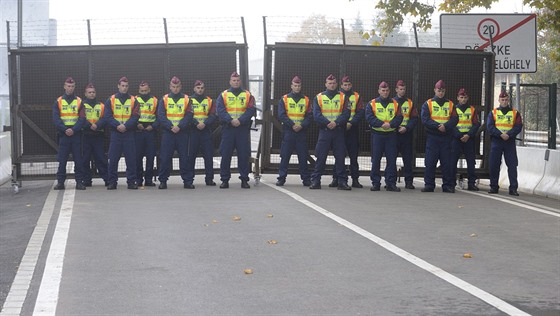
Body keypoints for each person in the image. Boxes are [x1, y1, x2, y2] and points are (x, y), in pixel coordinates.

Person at [309, 74, 351, 190]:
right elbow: (316, 115)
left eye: (333, 83)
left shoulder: (343, 97)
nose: (332, 85)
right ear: (326, 84)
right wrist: (328, 123)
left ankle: (342, 181)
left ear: (337, 84)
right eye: (329, 83)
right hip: (325, 131)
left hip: (338, 131)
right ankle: (316, 181)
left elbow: (346, 113)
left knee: (340, 156)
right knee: (321, 157)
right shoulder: (319, 97)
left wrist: (336, 123)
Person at [216, 71, 256, 189]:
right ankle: (225, 180)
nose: (236, 82)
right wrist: (230, 120)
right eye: (234, 80)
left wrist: (241, 120)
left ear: (240, 81)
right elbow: (220, 110)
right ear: (230, 81)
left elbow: (250, 110)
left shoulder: (248, 95)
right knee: (226, 154)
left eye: (238, 80)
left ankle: (244, 179)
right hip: (228, 129)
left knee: (243, 155)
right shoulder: (223, 95)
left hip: (242, 129)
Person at [420, 80, 458, 193]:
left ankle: (447, 185)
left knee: (447, 163)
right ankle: (429, 185)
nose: (440, 93)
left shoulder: (450, 104)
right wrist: (437, 126)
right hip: (433, 137)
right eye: (438, 90)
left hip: (446, 137)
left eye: (442, 91)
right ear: (435, 90)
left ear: (445, 91)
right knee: (430, 162)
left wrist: (445, 126)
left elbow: (455, 119)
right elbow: (425, 119)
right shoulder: (428, 104)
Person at [365, 81, 403, 192]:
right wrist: (381, 124)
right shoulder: (372, 103)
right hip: (377, 134)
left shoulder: (395, 104)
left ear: (389, 91)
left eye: (387, 90)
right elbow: (369, 117)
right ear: (379, 91)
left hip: (391, 135)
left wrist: (390, 125)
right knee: (376, 159)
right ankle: (376, 183)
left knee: (392, 159)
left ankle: (391, 183)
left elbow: (399, 117)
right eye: (383, 90)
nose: (385, 92)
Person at [157, 76, 193, 189]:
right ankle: (163, 181)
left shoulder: (187, 99)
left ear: (180, 86)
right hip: (169, 132)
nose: (176, 89)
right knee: (165, 157)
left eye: (177, 87)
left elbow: (189, 114)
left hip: (182, 132)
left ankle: (187, 181)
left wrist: (180, 126)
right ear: (170, 87)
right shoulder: (164, 99)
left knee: (185, 158)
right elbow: (161, 115)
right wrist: (170, 126)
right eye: (173, 87)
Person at [329, 75, 365, 188]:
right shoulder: (338, 96)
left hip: (352, 129)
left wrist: (351, 123)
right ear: (341, 86)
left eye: (349, 85)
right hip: (340, 128)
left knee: (353, 156)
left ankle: (355, 179)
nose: (347, 86)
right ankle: (336, 178)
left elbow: (360, 112)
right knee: (339, 155)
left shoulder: (356, 96)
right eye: (345, 85)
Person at [104, 76, 140, 190]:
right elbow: (108, 116)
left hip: (129, 133)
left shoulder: (134, 100)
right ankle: (112, 182)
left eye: (126, 86)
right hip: (116, 134)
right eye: (122, 86)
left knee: (131, 159)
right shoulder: (111, 100)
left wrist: (126, 126)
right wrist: (117, 125)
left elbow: (136, 116)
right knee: (113, 159)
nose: (124, 88)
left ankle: (131, 181)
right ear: (118, 86)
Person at [276, 75, 312, 187]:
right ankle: (281, 178)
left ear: (301, 87)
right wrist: (292, 125)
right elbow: (281, 115)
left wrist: (301, 125)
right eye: (295, 86)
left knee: (303, 156)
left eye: (299, 86)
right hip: (289, 131)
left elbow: (310, 115)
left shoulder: (306, 100)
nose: (297, 88)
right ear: (291, 86)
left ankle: (306, 179)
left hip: (301, 132)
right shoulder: (284, 99)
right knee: (285, 156)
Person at [52, 77, 86, 190]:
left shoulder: (79, 101)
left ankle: (79, 182)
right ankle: (60, 183)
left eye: (72, 86)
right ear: (64, 86)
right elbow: (56, 119)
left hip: (76, 135)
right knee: (62, 160)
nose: (70, 88)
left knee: (78, 160)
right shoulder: (59, 101)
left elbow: (82, 118)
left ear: (74, 87)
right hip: (64, 135)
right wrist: (65, 129)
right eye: (68, 86)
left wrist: (74, 129)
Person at [487, 90, 522, 196]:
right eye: (502, 100)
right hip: (497, 141)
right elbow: (490, 127)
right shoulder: (493, 113)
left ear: (509, 100)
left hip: (509, 142)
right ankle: (493, 187)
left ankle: (513, 188)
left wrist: (509, 135)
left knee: (512, 165)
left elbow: (518, 126)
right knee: (494, 165)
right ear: (499, 100)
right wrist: (500, 134)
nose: (504, 102)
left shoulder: (515, 113)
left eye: (506, 100)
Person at [185, 80, 217, 188]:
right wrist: (196, 123)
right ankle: (189, 180)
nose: (200, 90)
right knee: (191, 157)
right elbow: (186, 114)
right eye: (198, 88)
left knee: (208, 156)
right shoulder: (189, 100)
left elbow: (212, 115)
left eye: (202, 88)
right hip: (193, 131)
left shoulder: (209, 101)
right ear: (194, 89)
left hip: (205, 131)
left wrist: (205, 123)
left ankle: (209, 179)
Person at [452, 88, 481, 191]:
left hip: (468, 138)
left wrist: (468, 135)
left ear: (467, 98)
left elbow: (476, 124)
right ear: (458, 98)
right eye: (461, 97)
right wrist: (459, 135)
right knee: (453, 161)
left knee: (471, 161)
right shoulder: (454, 109)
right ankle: (451, 183)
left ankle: (471, 183)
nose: (463, 99)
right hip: (457, 138)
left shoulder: (472, 110)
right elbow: (451, 124)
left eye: (465, 97)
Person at [81, 83, 108, 187]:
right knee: (85, 159)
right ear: (85, 94)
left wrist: (97, 125)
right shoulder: (82, 105)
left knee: (101, 158)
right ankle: (86, 180)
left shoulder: (101, 105)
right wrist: (89, 125)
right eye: (89, 92)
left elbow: (105, 118)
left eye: (93, 92)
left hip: (98, 135)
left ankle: (107, 179)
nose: (92, 94)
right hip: (86, 135)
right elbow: (80, 118)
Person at [394, 80, 419, 190]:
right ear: (396, 90)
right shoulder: (392, 102)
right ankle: (391, 181)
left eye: (404, 89)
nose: (402, 91)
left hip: (406, 134)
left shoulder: (410, 103)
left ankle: (409, 182)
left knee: (408, 160)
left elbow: (414, 118)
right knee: (391, 159)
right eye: (400, 89)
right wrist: (396, 127)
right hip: (394, 134)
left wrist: (406, 127)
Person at [134, 81, 158, 187]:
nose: (144, 92)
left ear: (149, 90)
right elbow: (129, 114)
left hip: (150, 131)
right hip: (138, 131)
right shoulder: (134, 100)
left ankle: (148, 180)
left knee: (150, 156)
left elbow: (159, 116)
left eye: (146, 90)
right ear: (139, 91)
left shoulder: (155, 100)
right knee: (137, 156)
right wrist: (136, 124)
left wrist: (153, 126)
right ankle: (138, 179)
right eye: (142, 91)